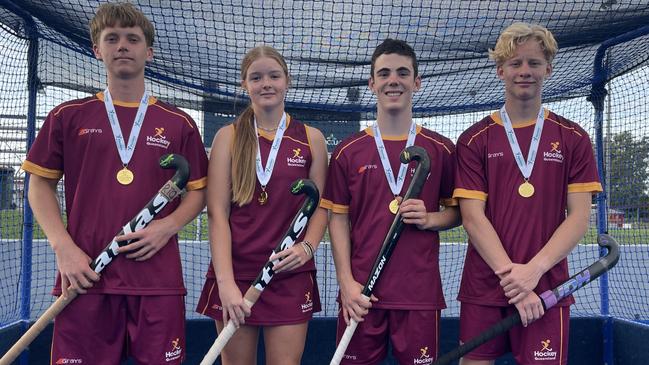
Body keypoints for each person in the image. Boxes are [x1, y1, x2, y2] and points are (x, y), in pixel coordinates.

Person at [22, 3, 208, 364]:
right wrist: (63, 248)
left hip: (156, 280)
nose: (123, 45)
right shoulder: (67, 116)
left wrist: (167, 227)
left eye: (133, 39)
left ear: (148, 52)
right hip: (86, 274)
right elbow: (38, 186)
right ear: (97, 50)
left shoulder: (178, 122)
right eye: (112, 38)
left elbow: (199, 191)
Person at [453, 22, 603, 365]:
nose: (525, 71)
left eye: (534, 63)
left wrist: (533, 272)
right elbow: (473, 218)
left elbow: (579, 217)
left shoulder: (573, 137)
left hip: (548, 286)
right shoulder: (475, 139)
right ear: (500, 70)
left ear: (548, 69)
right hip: (485, 286)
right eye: (516, 63)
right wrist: (516, 281)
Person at [321, 38, 461, 364]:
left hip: (418, 295)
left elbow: (458, 213)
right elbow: (337, 219)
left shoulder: (441, 148)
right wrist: (346, 284)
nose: (392, 80)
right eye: (384, 74)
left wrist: (430, 219)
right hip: (361, 295)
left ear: (417, 81)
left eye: (402, 72)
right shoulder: (347, 151)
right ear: (372, 84)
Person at [195, 45, 329, 365]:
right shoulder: (228, 136)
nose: (265, 83)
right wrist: (226, 285)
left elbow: (322, 206)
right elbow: (217, 212)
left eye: (274, 76)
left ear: (288, 81)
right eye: (256, 77)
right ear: (245, 84)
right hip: (236, 274)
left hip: (289, 274)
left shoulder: (312, 138)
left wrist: (307, 247)